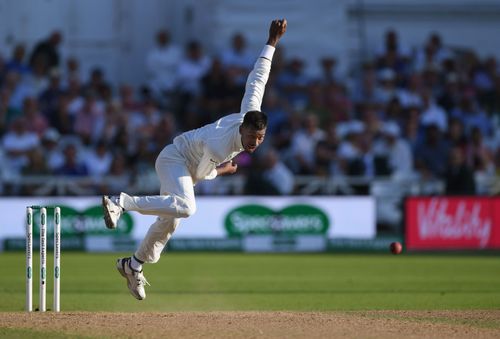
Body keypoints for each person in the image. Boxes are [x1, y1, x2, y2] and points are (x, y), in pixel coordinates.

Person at [102, 19, 287, 300]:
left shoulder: (250, 112)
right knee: (187, 207)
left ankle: (133, 265)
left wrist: (271, 42)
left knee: (170, 222)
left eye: (261, 138)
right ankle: (122, 202)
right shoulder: (221, 145)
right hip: (175, 158)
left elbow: (257, 78)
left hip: (187, 164)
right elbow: (201, 174)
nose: (255, 143)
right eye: (252, 137)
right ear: (242, 128)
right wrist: (222, 171)